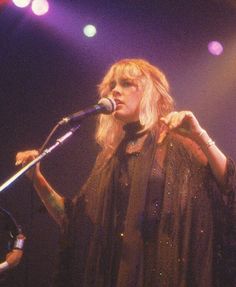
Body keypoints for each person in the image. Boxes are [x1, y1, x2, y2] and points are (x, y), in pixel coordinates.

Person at [15, 59, 235, 287]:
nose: (115, 91)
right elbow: (73, 221)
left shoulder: (176, 143)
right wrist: (37, 179)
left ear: (151, 93)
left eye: (127, 84)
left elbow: (228, 185)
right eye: (112, 85)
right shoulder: (109, 158)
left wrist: (200, 135)